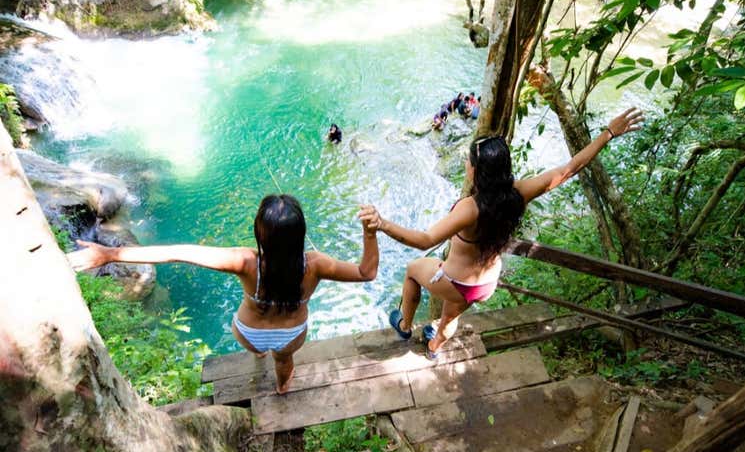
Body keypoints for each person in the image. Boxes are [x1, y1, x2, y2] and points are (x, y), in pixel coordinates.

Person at [359, 108, 643, 359]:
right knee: (450, 314)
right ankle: (434, 348)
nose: (467, 166)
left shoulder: (469, 209)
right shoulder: (519, 193)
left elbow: (425, 240)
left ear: (475, 172)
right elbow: (570, 168)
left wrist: (383, 223)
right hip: (486, 284)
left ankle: (406, 326)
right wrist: (608, 133)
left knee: (411, 271)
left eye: (469, 162)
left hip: (457, 281)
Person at [68, 194, 379, 394]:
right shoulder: (316, 265)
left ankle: (258, 353)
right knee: (283, 361)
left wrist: (110, 254)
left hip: (249, 333)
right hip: (290, 334)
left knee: (258, 348)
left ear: (260, 232)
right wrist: (369, 233)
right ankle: (283, 388)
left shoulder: (245, 262)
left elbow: (179, 252)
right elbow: (367, 273)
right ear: (300, 234)